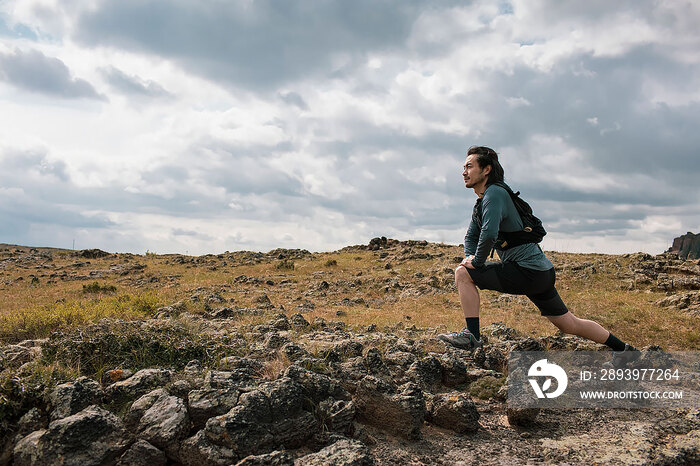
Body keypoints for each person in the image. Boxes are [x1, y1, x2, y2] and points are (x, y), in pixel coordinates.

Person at [438, 146, 638, 362]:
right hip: (541, 272)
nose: (464, 172)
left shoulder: (495, 193)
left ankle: (472, 336)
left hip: (527, 272)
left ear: (486, 170)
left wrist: (475, 262)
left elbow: (488, 234)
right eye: (463, 167)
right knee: (568, 323)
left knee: (462, 274)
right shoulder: (483, 202)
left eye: (469, 166)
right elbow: (472, 236)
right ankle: (625, 350)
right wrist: (470, 257)